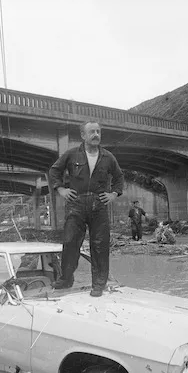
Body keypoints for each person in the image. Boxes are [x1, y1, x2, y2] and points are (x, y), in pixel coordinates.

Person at [48, 121, 124, 297]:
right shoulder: (71, 154)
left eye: (98, 131)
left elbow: (119, 177)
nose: (96, 135)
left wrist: (114, 194)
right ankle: (66, 279)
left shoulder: (108, 157)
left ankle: (98, 284)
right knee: (70, 242)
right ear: (83, 135)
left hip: (99, 205)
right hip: (76, 204)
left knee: (100, 245)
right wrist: (61, 189)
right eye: (92, 132)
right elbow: (54, 171)